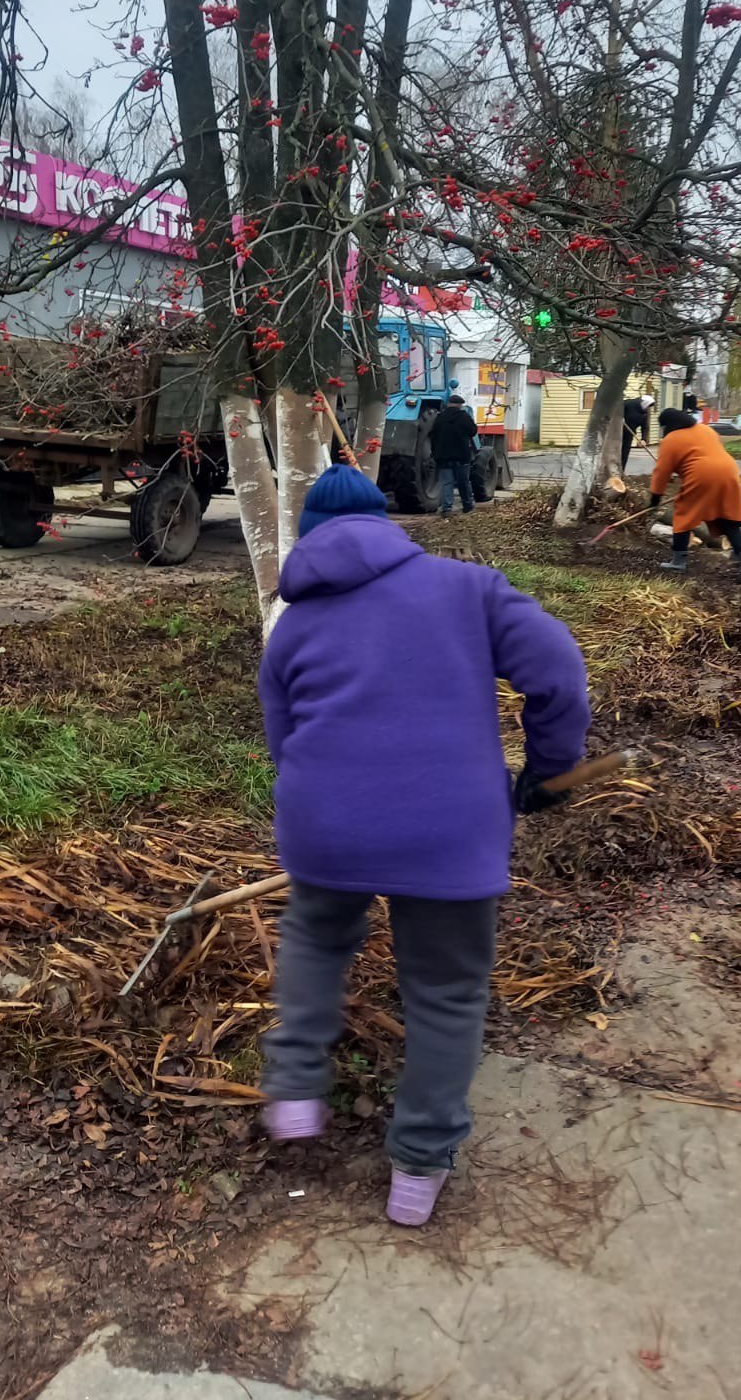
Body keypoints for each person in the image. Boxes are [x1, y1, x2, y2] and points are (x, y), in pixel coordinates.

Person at [258, 464, 590, 1227]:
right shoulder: (470, 589)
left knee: (315, 935)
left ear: (310, 538)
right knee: (444, 994)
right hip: (449, 828)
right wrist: (551, 770)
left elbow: (285, 743)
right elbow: (559, 675)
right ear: (388, 528)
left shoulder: (293, 624)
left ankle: (298, 1092)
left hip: (326, 825)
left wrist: (333, 809)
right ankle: (417, 1168)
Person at [649, 409, 741, 582]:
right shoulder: (706, 429)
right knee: (725, 517)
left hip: (701, 474)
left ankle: (678, 561)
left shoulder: (670, 439)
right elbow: (700, 452)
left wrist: (655, 499)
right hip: (729, 471)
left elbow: (661, 472)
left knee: (684, 513)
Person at [429, 393, 478, 515]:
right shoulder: (464, 417)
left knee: (446, 483)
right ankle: (467, 506)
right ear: (460, 405)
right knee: (463, 482)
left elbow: (433, 435)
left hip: (443, 457)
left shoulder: (440, 417)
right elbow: (473, 431)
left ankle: (447, 508)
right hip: (461, 456)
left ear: (449, 404)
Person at [621, 394, 655, 472]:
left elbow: (645, 427)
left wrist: (643, 439)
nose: (648, 408)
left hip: (629, 434)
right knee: (615, 452)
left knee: (625, 453)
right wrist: (620, 417)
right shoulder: (629, 403)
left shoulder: (644, 414)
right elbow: (618, 408)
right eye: (648, 406)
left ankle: (621, 471)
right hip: (616, 433)